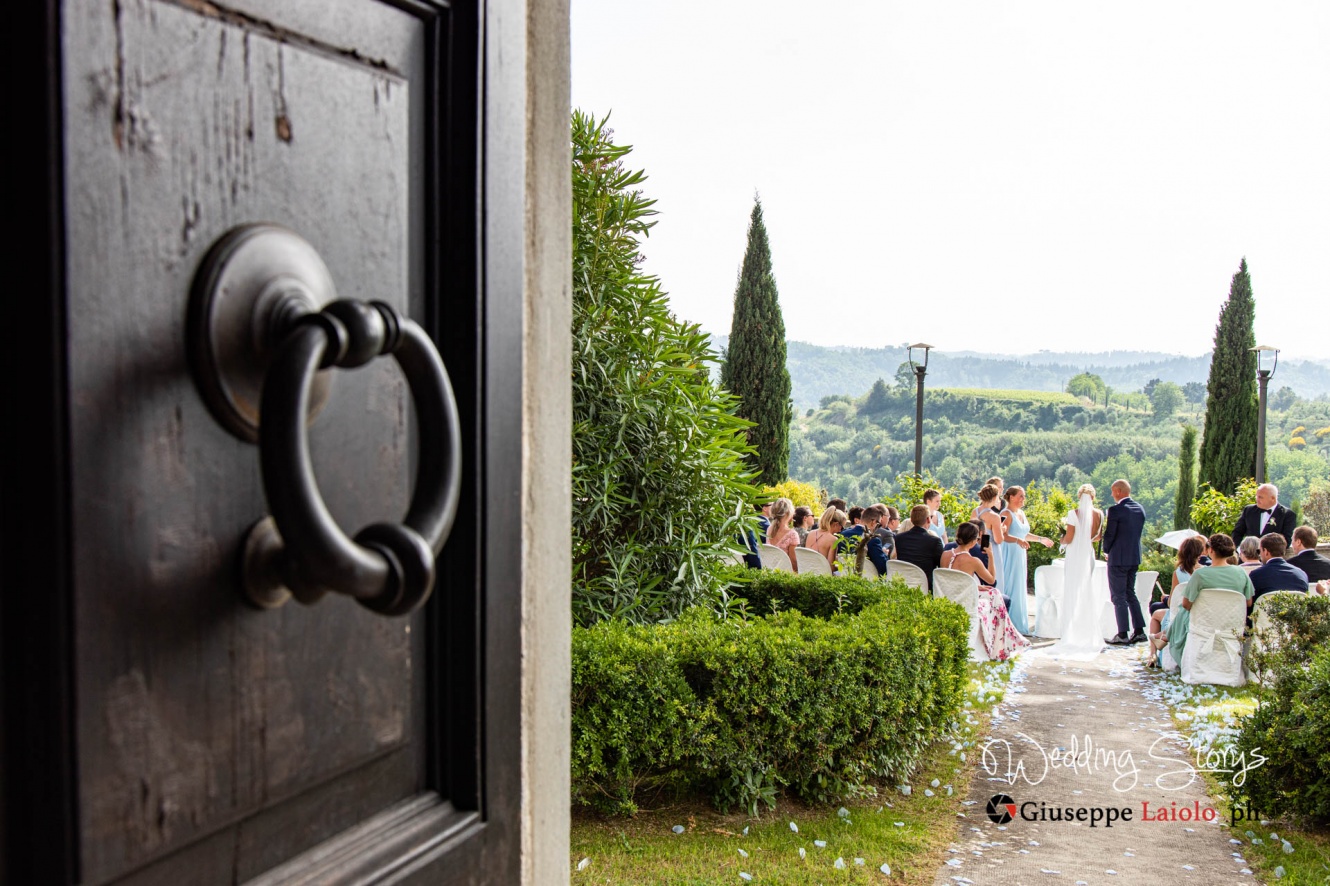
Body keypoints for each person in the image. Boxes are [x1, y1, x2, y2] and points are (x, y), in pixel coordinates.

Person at [1163, 534, 1254, 672]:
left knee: (1183, 611)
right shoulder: (1241, 573)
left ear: (1210, 550)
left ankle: (1165, 636)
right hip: (1231, 625)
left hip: (1204, 626)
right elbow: (1247, 602)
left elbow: (1187, 605)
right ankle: (1164, 635)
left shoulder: (1200, 574)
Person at [941, 522, 1028, 661]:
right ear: (975, 540)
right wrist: (991, 555)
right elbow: (991, 580)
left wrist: (974, 586)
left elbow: (954, 580)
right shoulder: (972, 561)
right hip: (965, 601)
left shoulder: (945, 555)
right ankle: (1001, 642)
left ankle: (1006, 639)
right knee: (995, 594)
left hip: (949, 597)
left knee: (993, 594)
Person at [1051, 484, 1106, 659]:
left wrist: (1061, 540)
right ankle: (1086, 630)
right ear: (1093, 498)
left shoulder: (1073, 514)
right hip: (1088, 553)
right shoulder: (1099, 514)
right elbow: (1098, 537)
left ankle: (1069, 630)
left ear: (1079, 497)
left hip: (1075, 553)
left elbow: (1069, 537)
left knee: (1072, 589)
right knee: (1085, 589)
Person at [998, 486, 1054, 634]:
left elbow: (1024, 533)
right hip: (1009, 553)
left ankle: (1017, 624)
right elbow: (1001, 534)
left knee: (1019, 586)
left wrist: (1041, 539)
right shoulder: (1005, 513)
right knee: (1011, 585)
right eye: (1020, 496)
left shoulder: (1021, 513)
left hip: (1020, 554)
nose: (1023, 499)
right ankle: (1007, 624)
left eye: (1024, 496)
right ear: (1011, 497)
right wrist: (1017, 540)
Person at [1146, 536, 1204, 666]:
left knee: (1155, 615)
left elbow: (1173, 602)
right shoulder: (1205, 571)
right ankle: (1156, 645)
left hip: (1180, 614)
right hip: (1199, 613)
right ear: (1200, 553)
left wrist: (1166, 598)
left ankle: (1153, 653)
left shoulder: (1179, 572)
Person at [1102, 479, 1147, 645]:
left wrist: (1106, 550)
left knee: (1118, 596)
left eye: (1113, 491)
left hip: (1118, 559)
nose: (1112, 495)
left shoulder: (1115, 510)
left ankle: (1122, 633)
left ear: (1119, 491)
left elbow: (1110, 534)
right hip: (1134, 557)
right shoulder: (1140, 509)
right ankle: (1140, 631)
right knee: (1130, 593)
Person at [894, 504, 944, 589]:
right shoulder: (934, 541)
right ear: (928, 519)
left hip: (904, 584)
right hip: (925, 586)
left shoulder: (899, 538)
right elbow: (940, 566)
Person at [1249, 533, 1309, 601]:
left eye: (1259, 551)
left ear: (1265, 551)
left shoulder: (1256, 575)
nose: (1259, 555)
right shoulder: (1301, 574)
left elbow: (1251, 605)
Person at [970, 485, 1007, 596]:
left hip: (977, 548)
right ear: (995, 497)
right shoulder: (994, 516)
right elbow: (998, 539)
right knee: (995, 578)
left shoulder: (974, 512)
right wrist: (1002, 529)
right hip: (991, 549)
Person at [854, 504, 891, 577]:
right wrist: (884, 555)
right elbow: (883, 568)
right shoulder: (873, 541)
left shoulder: (844, 535)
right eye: (879, 525)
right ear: (873, 522)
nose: (879, 528)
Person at [767, 498, 800, 572]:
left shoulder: (769, 529)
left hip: (769, 572)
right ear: (789, 513)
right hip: (784, 575)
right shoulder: (792, 534)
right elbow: (793, 562)